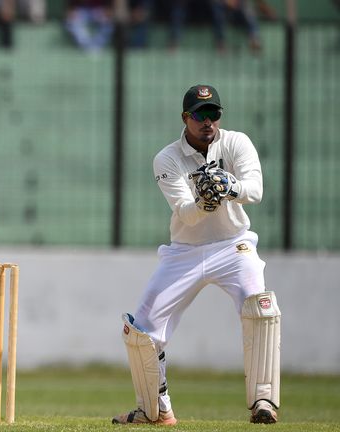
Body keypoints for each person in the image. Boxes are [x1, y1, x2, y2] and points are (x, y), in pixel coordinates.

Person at [112, 85, 281, 425]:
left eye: (213, 114)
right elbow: (186, 213)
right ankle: (156, 411)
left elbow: (256, 190)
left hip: (234, 245)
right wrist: (207, 200)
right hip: (184, 253)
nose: (208, 122)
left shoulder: (236, 142)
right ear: (185, 118)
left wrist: (227, 186)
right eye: (200, 115)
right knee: (142, 330)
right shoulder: (167, 158)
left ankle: (264, 400)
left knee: (258, 307)